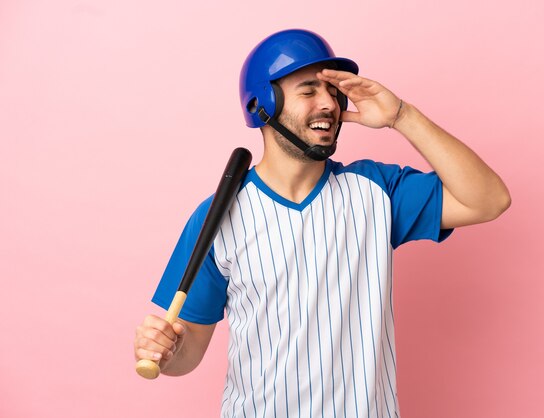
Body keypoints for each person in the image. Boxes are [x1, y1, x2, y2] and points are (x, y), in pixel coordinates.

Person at [134, 29, 510, 417]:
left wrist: (401, 116)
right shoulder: (217, 216)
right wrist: (169, 351)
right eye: (309, 90)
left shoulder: (378, 190)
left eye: (333, 91)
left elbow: (488, 200)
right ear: (263, 102)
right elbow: (188, 353)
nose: (329, 104)